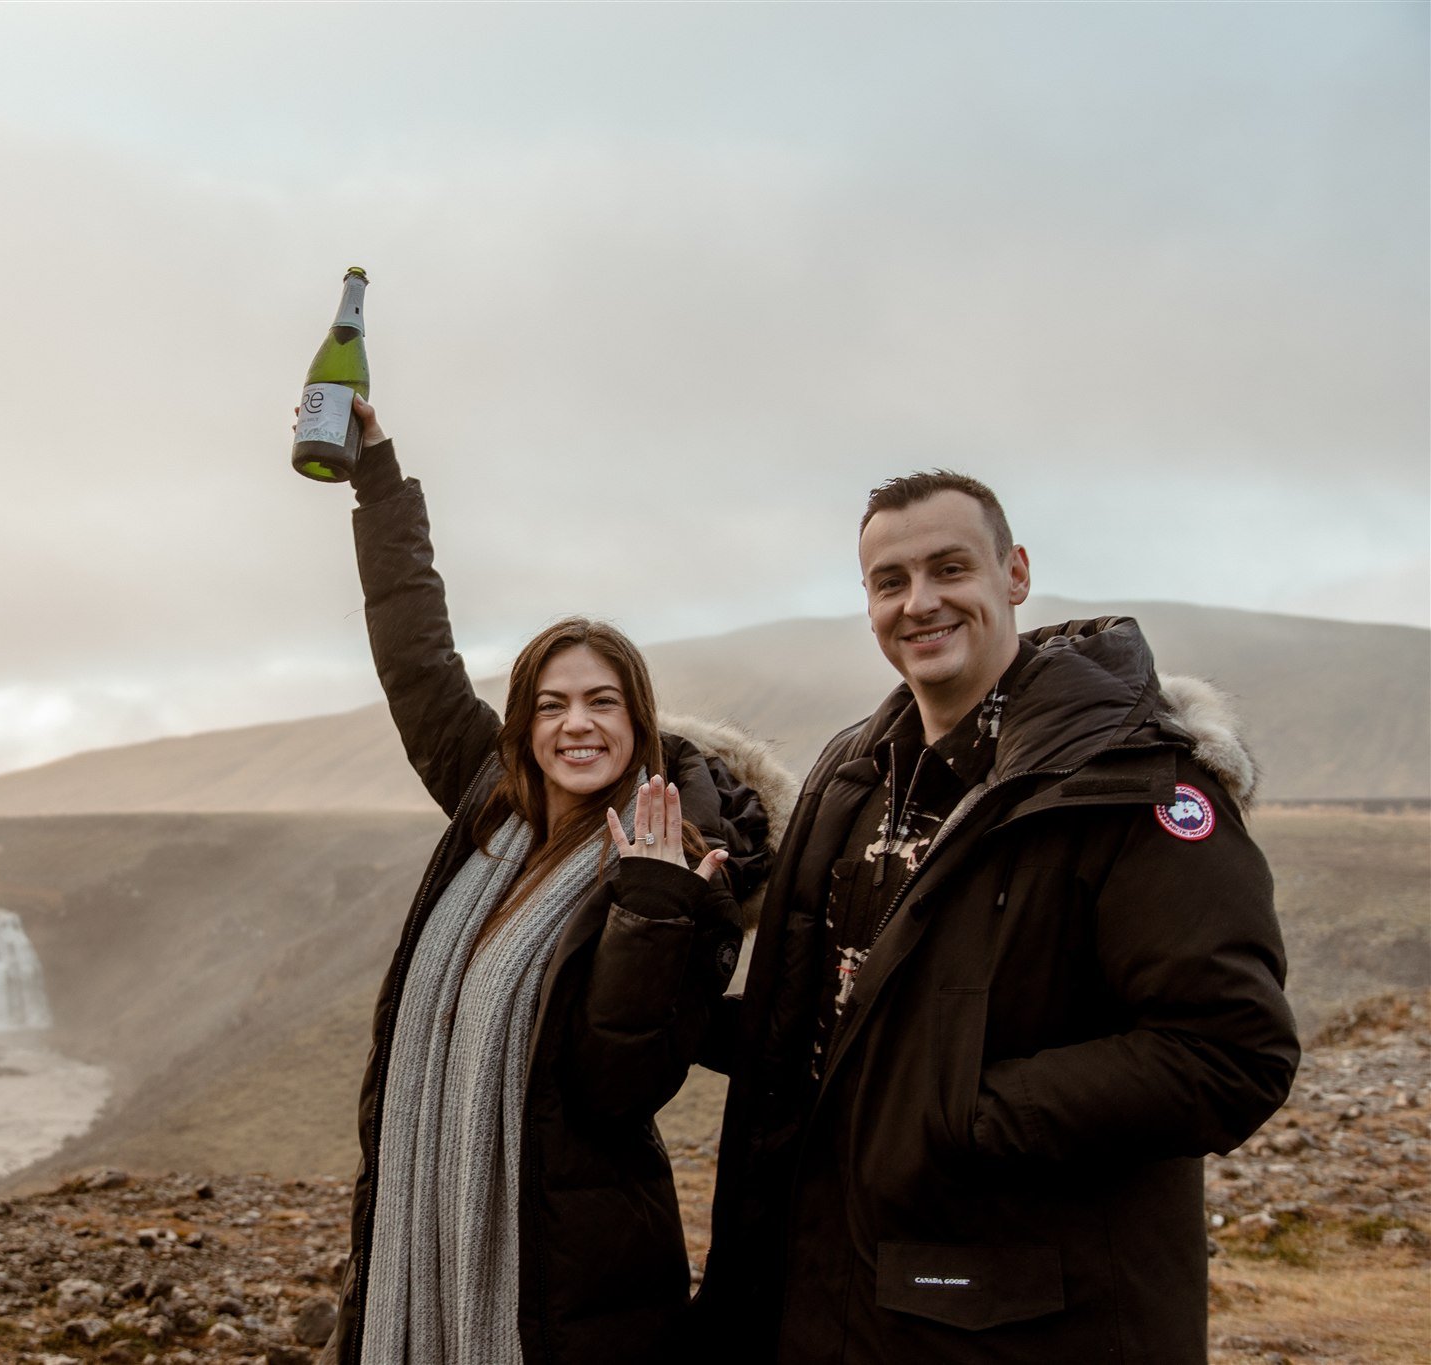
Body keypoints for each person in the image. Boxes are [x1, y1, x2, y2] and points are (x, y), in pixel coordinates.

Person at [692, 471, 1299, 1363]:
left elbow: (1229, 1051)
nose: (920, 602)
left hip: (1029, 1324)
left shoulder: (1130, 784)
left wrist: (957, 1113)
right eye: (890, 581)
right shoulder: (854, 781)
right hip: (840, 1304)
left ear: (1013, 574)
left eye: (950, 568)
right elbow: (829, 1028)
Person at [318, 399, 797, 1365]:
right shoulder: (494, 806)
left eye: (601, 702)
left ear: (640, 723)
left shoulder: (687, 862)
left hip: (571, 1285)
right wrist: (377, 481)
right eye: (552, 703)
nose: (576, 724)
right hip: (425, 1248)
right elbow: (416, 660)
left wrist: (654, 904)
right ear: (525, 724)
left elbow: (614, 1084)